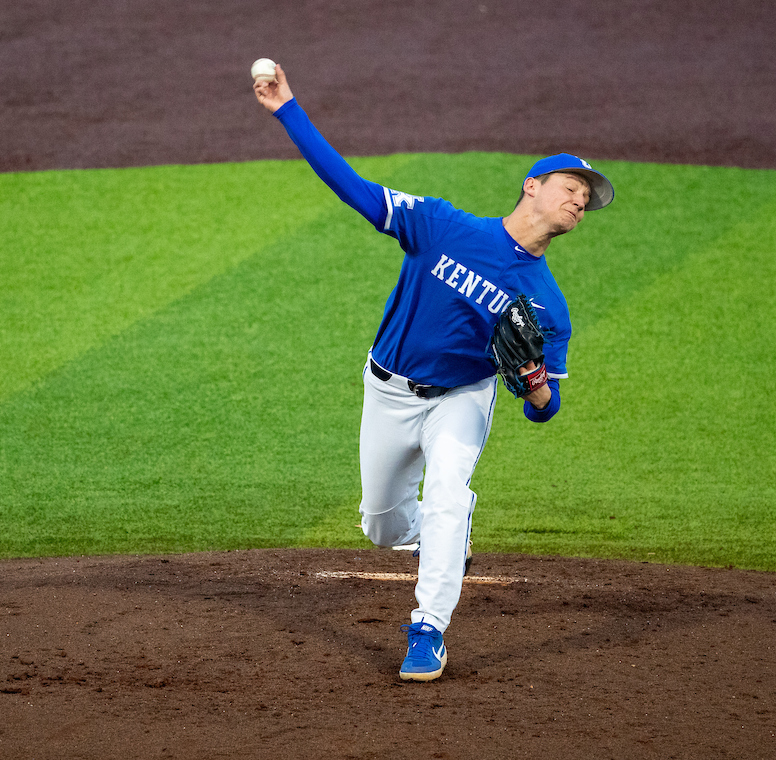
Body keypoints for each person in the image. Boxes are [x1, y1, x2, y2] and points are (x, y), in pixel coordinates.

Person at [253, 64, 614, 682]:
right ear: (531, 186)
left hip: (462, 400)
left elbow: (544, 406)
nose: (580, 199)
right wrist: (288, 108)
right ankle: (438, 538)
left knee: (450, 490)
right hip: (388, 389)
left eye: (588, 197)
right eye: (570, 186)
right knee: (380, 524)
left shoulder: (549, 306)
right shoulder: (442, 225)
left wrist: (535, 387)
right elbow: (355, 188)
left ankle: (429, 629)